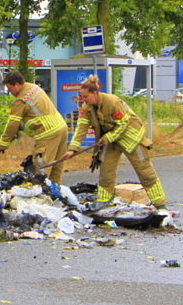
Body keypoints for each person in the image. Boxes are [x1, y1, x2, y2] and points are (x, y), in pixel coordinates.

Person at [59, 74, 166, 207]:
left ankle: (159, 203)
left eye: (86, 97)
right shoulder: (86, 108)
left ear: (95, 93)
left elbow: (123, 124)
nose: (83, 100)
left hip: (131, 138)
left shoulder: (113, 102)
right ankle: (104, 203)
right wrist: (72, 149)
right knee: (106, 172)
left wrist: (107, 138)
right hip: (110, 141)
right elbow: (81, 128)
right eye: (82, 97)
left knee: (144, 171)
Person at [0, 71, 69, 186]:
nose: (9, 91)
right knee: (56, 165)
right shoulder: (34, 87)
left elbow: (13, 124)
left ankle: (40, 192)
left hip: (47, 133)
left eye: (10, 88)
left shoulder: (21, 100)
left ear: (17, 84)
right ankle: (55, 190)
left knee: (41, 168)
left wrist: (2, 145)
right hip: (61, 128)